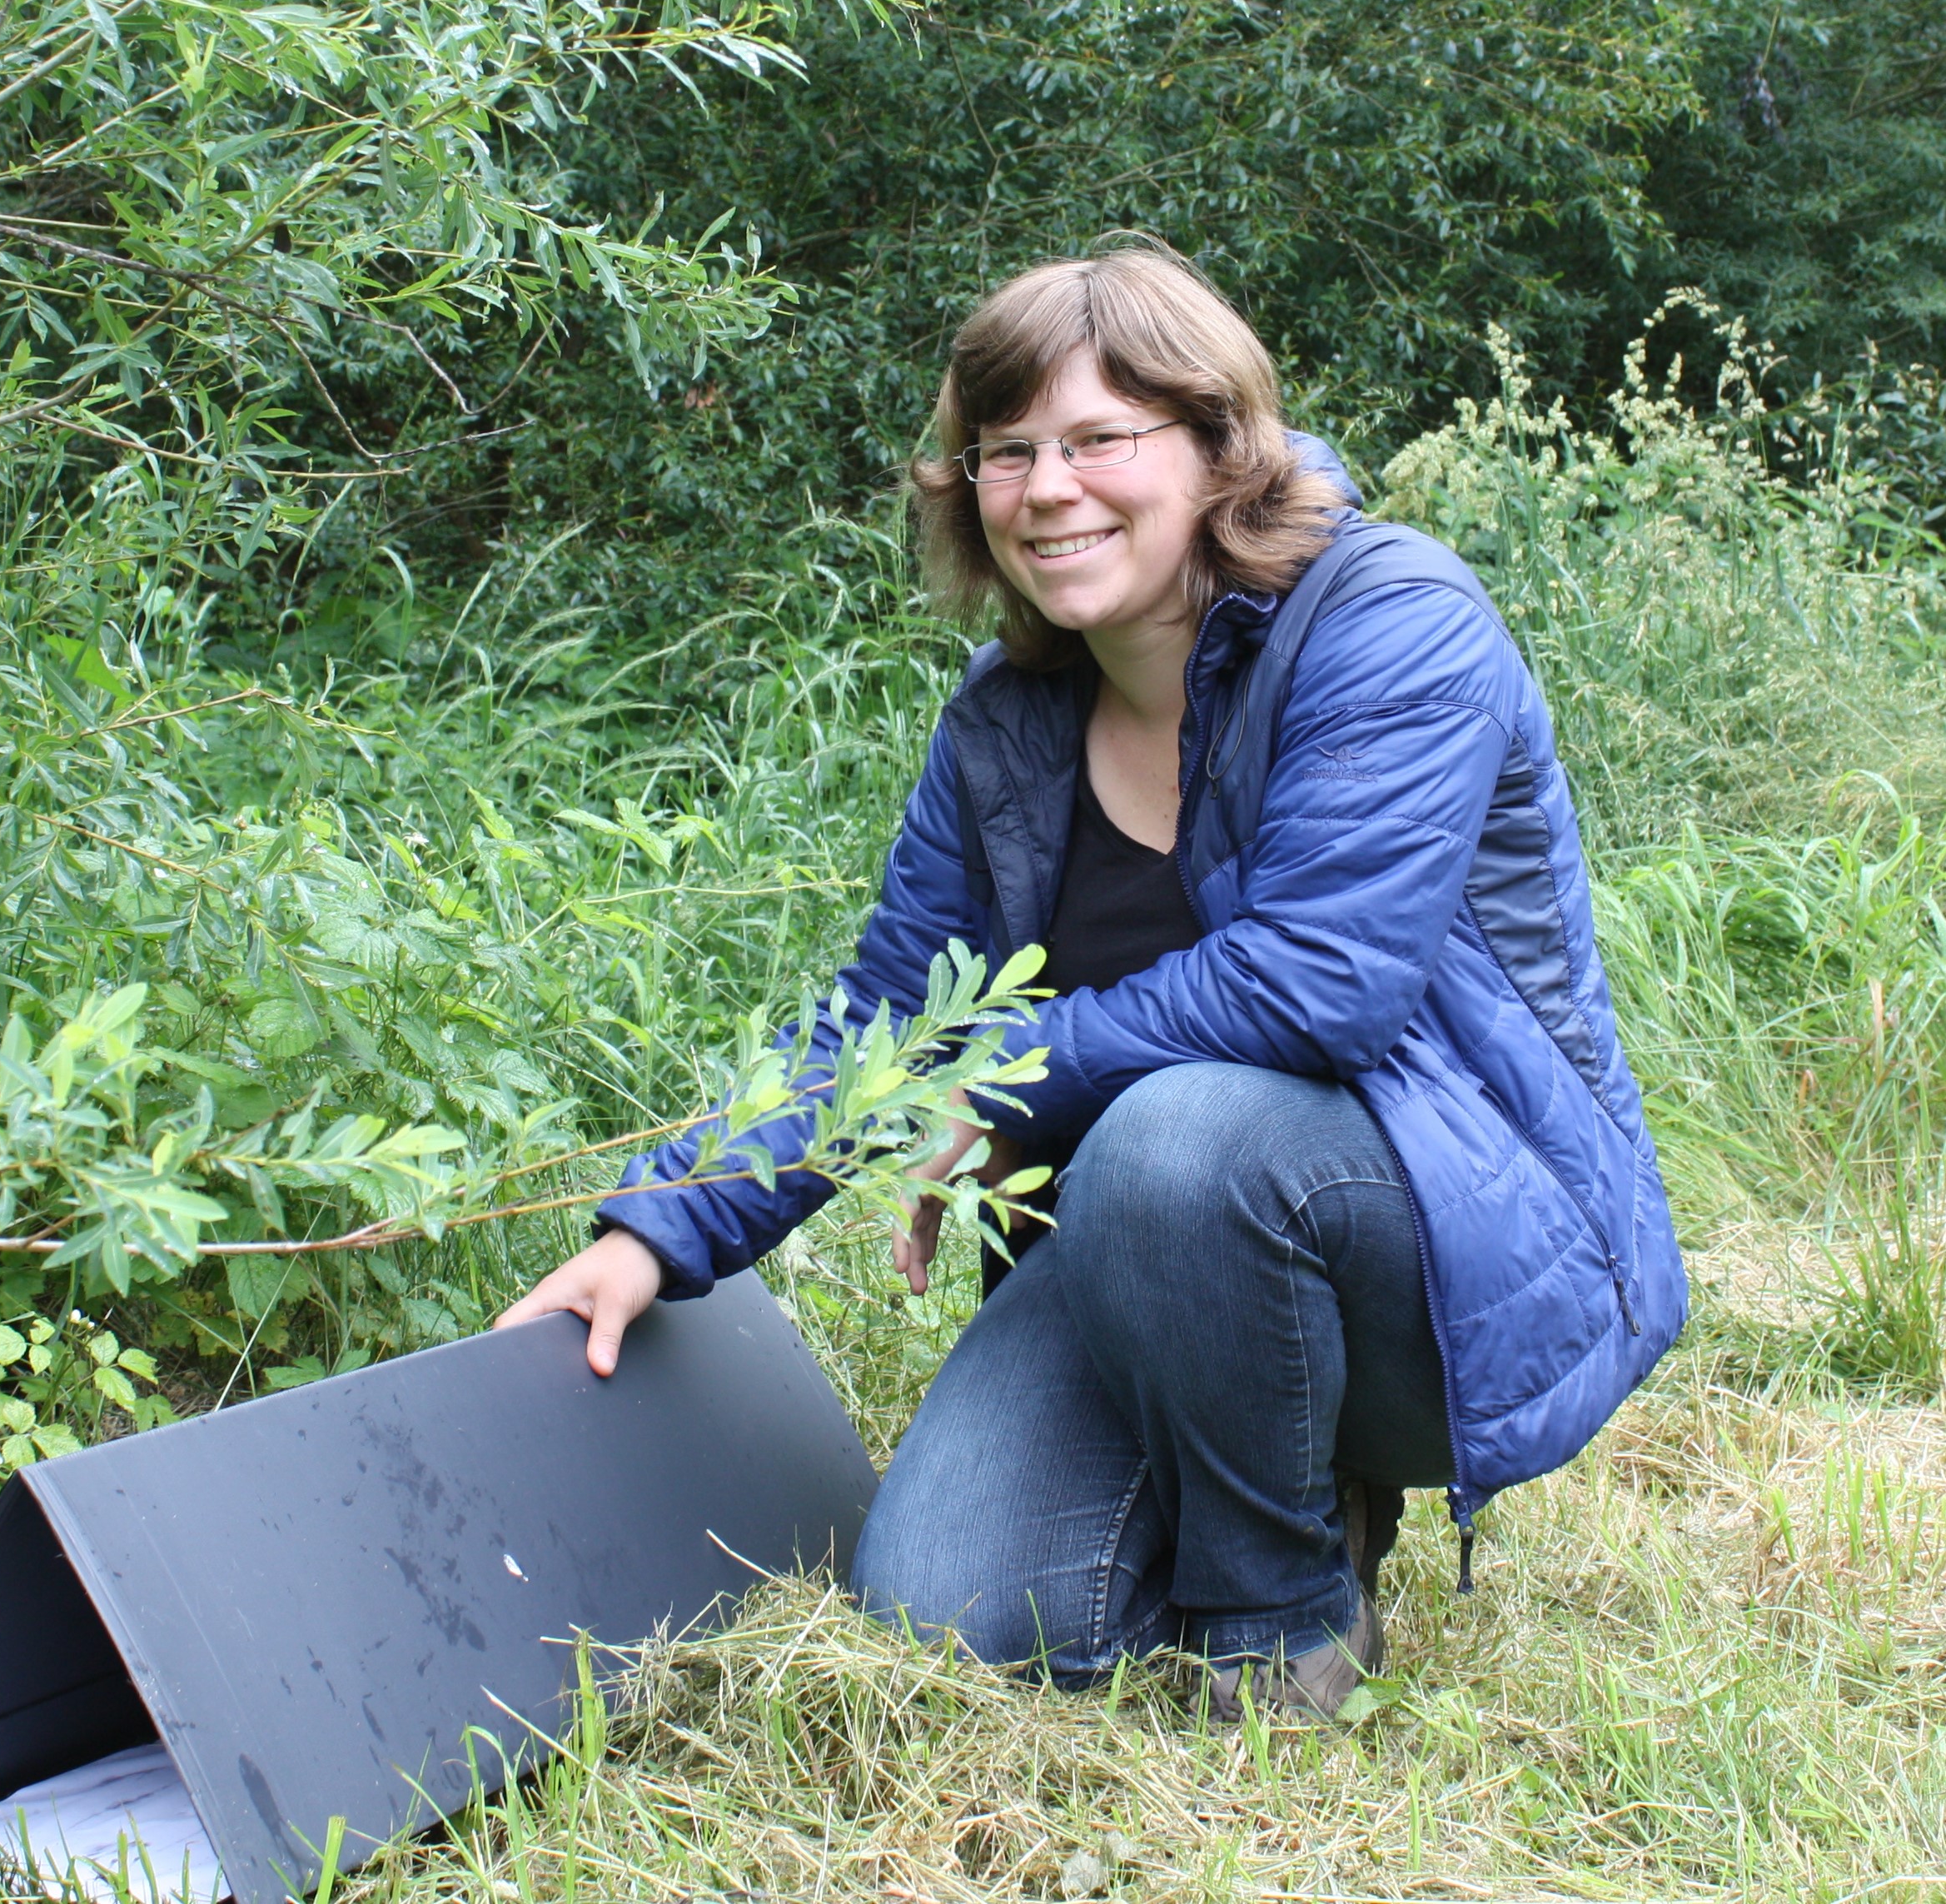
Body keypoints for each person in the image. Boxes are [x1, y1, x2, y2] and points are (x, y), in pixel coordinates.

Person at [495, 242, 1686, 1720]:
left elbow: (1318, 983)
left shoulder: (1392, 620)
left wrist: (1018, 1087)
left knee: (1171, 1135)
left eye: (1100, 438)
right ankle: (1244, 1465)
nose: (1047, 488)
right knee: (945, 1607)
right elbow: (895, 1014)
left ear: (1218, 444)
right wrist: (663, 1224)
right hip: (1150, 1252)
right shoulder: (1009, 720)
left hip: (1442, 1245)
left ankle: (1287, 1624)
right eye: (1006, 451)